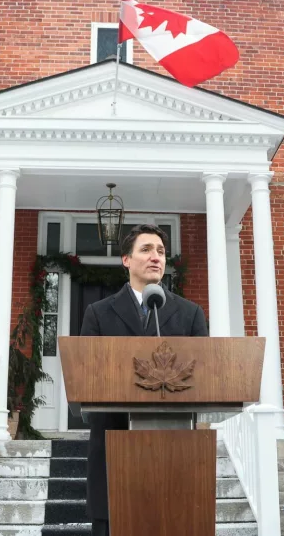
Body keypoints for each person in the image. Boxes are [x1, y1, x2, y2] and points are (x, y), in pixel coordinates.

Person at [79, 223, 209, 536]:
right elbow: (86, 374)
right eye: (146, 250)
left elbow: (205, 375)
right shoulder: (98, 313)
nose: (156, 257)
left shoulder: (190, 314)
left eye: (161, 252)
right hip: (113, 450)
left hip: (175, 454)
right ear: (126, 259)